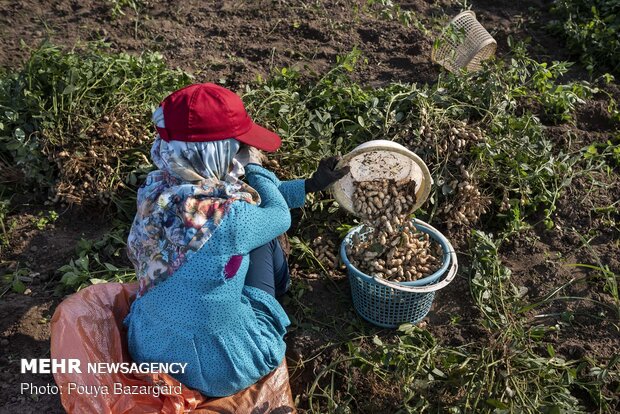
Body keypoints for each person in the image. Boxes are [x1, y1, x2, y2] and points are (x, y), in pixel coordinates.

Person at [123, 83, 349, 397]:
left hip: (153, 348)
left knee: (239, 245)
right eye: (235, 146)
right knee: (266, 240)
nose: (240, 153)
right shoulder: (232, 218)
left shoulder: (158, 192)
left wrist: (311, 184)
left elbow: (238, 200)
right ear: (216, 151)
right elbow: (277, 215)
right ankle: (275, 299)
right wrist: (255, 167)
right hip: (220, 366)